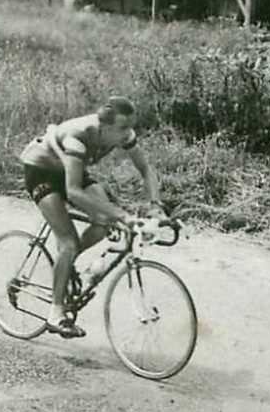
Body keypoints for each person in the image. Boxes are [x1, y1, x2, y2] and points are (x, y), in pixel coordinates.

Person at [19, 97, 164, 338]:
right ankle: (55, 314)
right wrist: (121, 214)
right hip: (41, 171)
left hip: (69, 170)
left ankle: (69, 265)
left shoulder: (123, 134)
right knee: (68, 243)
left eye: (130, 127)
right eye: (121, 129)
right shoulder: (79, 135)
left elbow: (146, 169)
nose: (126, 135)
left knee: (104, 221)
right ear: (103, 126)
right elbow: (74, 191)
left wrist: (156, 205)